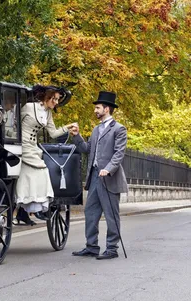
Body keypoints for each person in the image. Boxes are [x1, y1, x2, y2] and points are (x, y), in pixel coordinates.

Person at [70, 91, 127, 260]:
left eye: (98, 108)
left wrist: (108, 168)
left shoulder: (119, 129)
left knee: (111, 214)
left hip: (109, 177)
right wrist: (77, 136)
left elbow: (119, 154)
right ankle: (92, 246)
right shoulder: (96, 129)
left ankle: (112, 248)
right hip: (94, 177)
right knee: (91, 212)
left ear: (106, 109)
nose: (95, 111)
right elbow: (87, 150)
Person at [15, 85, 77, 223]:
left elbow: (53, 133)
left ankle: (23, 211)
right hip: (22, 145)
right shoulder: (28, 107)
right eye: (54, 99)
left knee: (30, 175)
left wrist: (68, 127)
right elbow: (14, 122)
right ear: (47, 97)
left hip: (33, 147)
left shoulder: (48, 113)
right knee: (42, 171)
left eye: (57, 100)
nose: (56, 102)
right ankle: (37, 209)